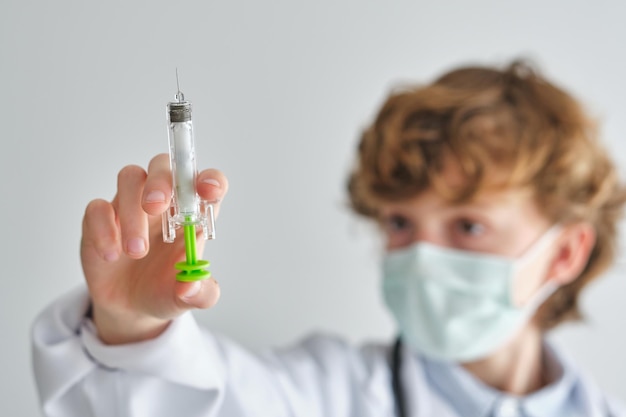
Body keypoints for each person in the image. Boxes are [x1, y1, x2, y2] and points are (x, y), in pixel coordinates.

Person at [32, 59, 626, 417]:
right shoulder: (327, 394)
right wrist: (131, 326)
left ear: (567, 251)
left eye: (468, 225)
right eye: (399, 224)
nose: (421, 255)